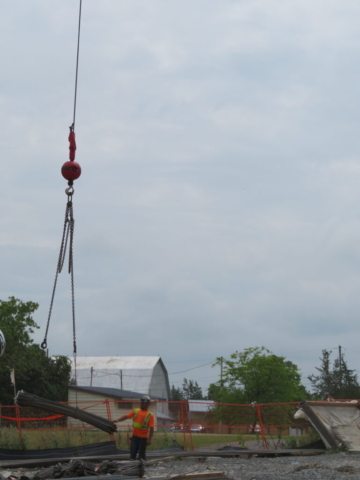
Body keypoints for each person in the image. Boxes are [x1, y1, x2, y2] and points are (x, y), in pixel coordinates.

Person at [116, 395, 154, 460]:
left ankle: (142, 468)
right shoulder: (136, 411)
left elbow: (152, 428)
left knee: (141, 456)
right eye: (141, 402)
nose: (141, 404)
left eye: (143, 403)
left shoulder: (150, 415)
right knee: (132, 455)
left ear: (148, 404)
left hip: (143, 439)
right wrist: (118, 420)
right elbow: (126, 416)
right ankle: (132, 467)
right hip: (134, 438)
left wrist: (149, 439)